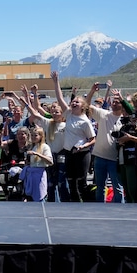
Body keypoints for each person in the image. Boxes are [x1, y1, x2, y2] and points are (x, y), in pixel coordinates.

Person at [51, 71, 96, 202]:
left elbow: (93, 139)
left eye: (77, 102)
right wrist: (56, 81)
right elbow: (59, 98)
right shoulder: (69, 114)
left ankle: (87, 204)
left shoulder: (85, 121)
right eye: (73, 101)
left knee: (81, 183)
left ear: (83, 106)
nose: (74, 103)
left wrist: (83, 146)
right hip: (69, 152)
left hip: (82, 153)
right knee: (70, 181)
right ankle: (74, 205)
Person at [86, 84, 125, 203]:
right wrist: (92, 91)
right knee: (100, 188)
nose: (114, 103)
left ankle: (120, 209)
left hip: (115, 159)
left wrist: (121, 97)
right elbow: (86, 105)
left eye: (117, 102)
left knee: (117, 187)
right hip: (100, 157)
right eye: (113, 101)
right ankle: (100, 210)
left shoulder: (125, 119)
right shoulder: (103, 114)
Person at [22, 126, 53, 202]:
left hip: (39, 174)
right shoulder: (31, 147)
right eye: (32, 135)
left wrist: (37, 154)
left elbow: (50, 161)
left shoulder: (45, 147)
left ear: (41, 136)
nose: (33, 137)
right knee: (30, 196)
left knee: (40, 194)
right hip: (31, 173)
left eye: (35, 135)